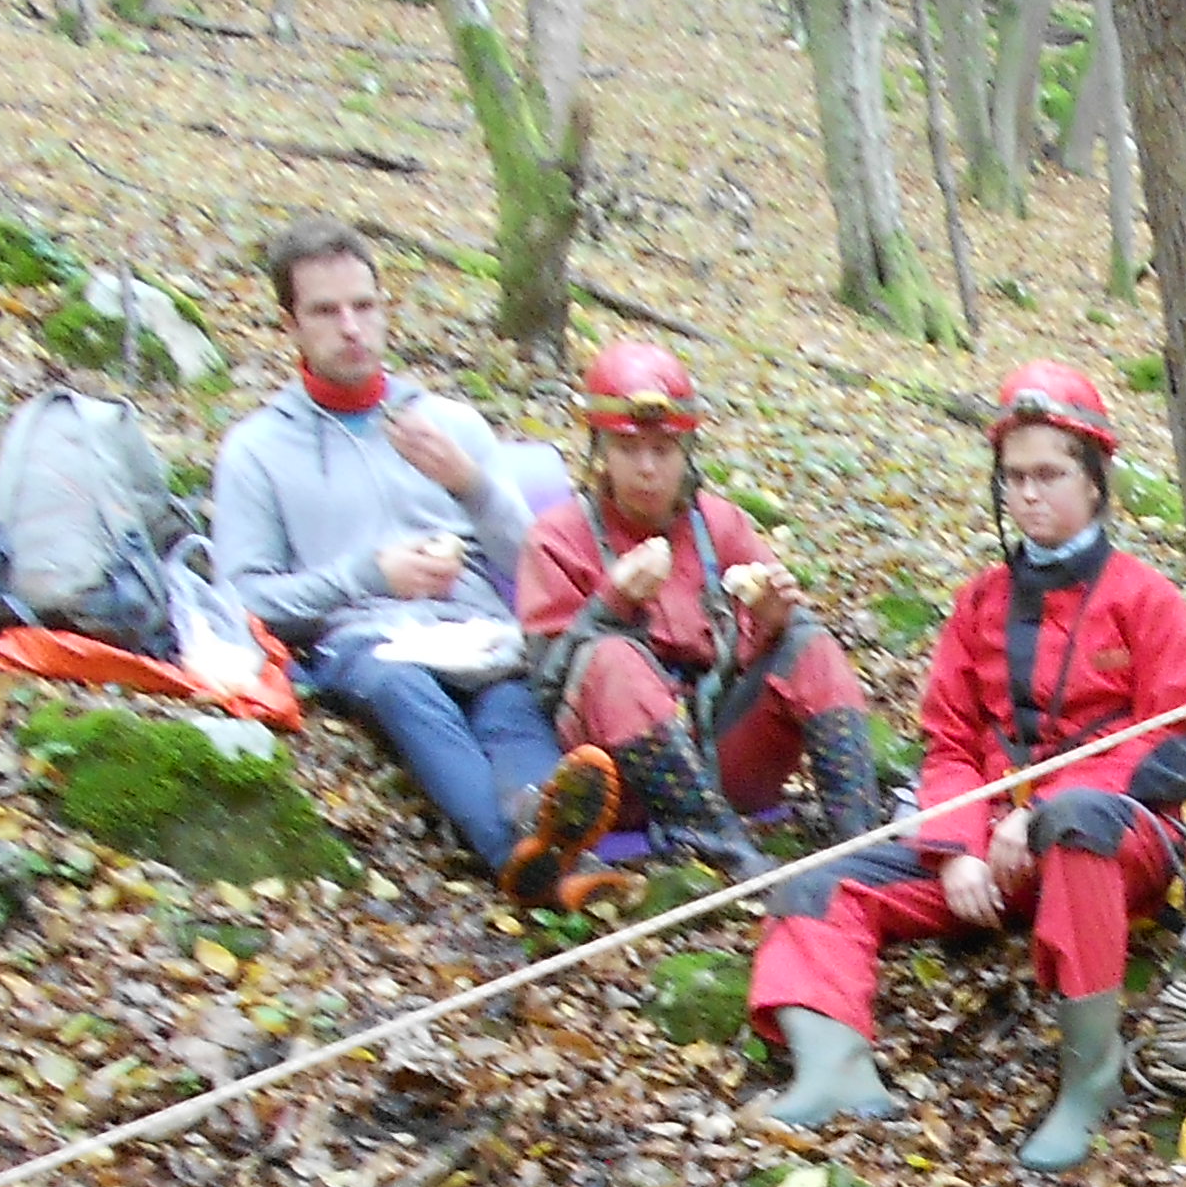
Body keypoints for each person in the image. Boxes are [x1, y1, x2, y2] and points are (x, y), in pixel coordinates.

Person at [740, 363, 1186, 1160]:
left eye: (1051, 475)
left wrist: (1038, 814)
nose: (1030, 494)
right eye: (1016, 477)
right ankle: (835, 1067)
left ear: (1096, 482)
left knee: (1075, 821)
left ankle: (1089, 1078)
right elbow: (951, 740)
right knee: (820, 884)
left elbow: (1183, 740)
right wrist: (955, 846)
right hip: (992, 847)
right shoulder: (979, 604)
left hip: (1113, 844)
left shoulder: (1148, 600)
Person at [210, 218, 605, 905]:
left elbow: (544, 561)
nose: (351, 327)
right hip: (365, 644)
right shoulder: (257, 450)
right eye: (326, 312)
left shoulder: (449, 424)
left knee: (511, 702)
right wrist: (369, 575)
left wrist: (472, 486)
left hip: (477, 632)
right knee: (407, 691)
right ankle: (525, 859)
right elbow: (241, 599)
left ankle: (553, 836)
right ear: (290, 326)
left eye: (364, 306)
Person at [514, 341, 881, 904]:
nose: (646, 468)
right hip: (628, 774)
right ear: (599, 451)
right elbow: (545, 686)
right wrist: (609, 605)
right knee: (613, 658)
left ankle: (862, 840)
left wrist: (773, 620)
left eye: (664, 450)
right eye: (627, 448)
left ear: (687, 450)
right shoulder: (558, 537)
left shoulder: (722, 525)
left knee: (811, 644)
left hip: (723, 750)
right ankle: (725, 854)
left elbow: (759, 651)